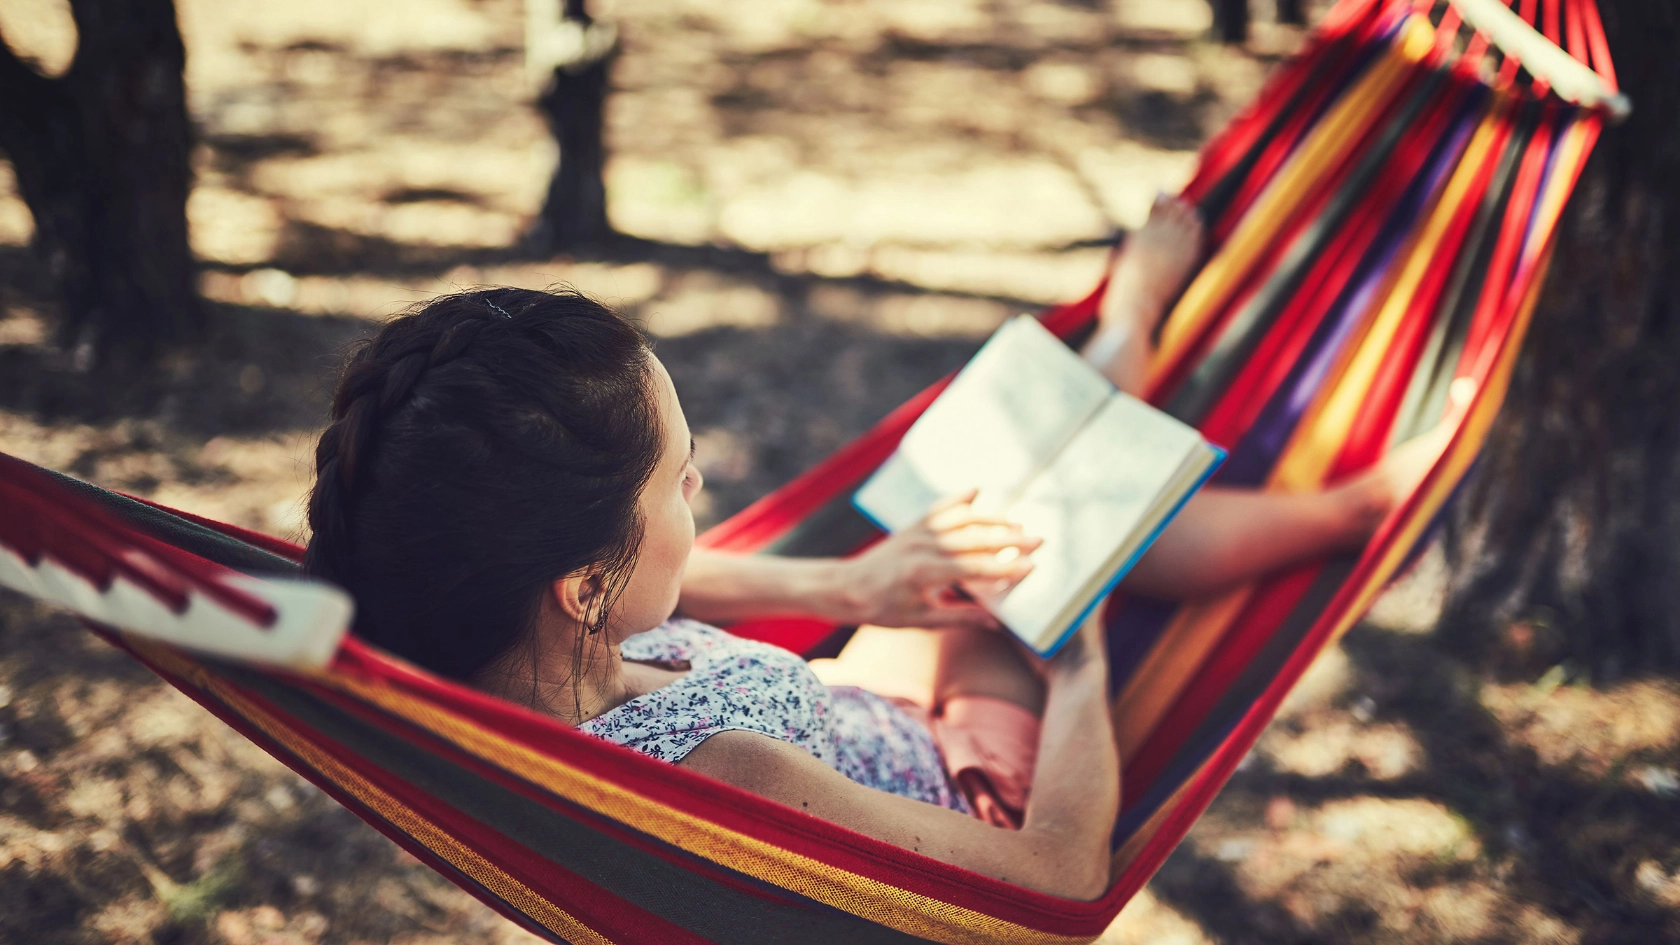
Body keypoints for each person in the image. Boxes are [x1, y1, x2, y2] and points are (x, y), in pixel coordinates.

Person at [302, 198, 1450, 901]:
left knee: (986, 515)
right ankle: (1347, 505)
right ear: (588, 577)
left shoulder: (487, 633)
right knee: (1069, 530)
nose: (703, 486)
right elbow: (1059, 878)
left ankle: (1125, 340)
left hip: (862, 703)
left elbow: (646, 588)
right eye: (680, 479)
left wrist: (849, 582)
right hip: (969, 786)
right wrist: (1082, 664)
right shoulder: (719, 773)